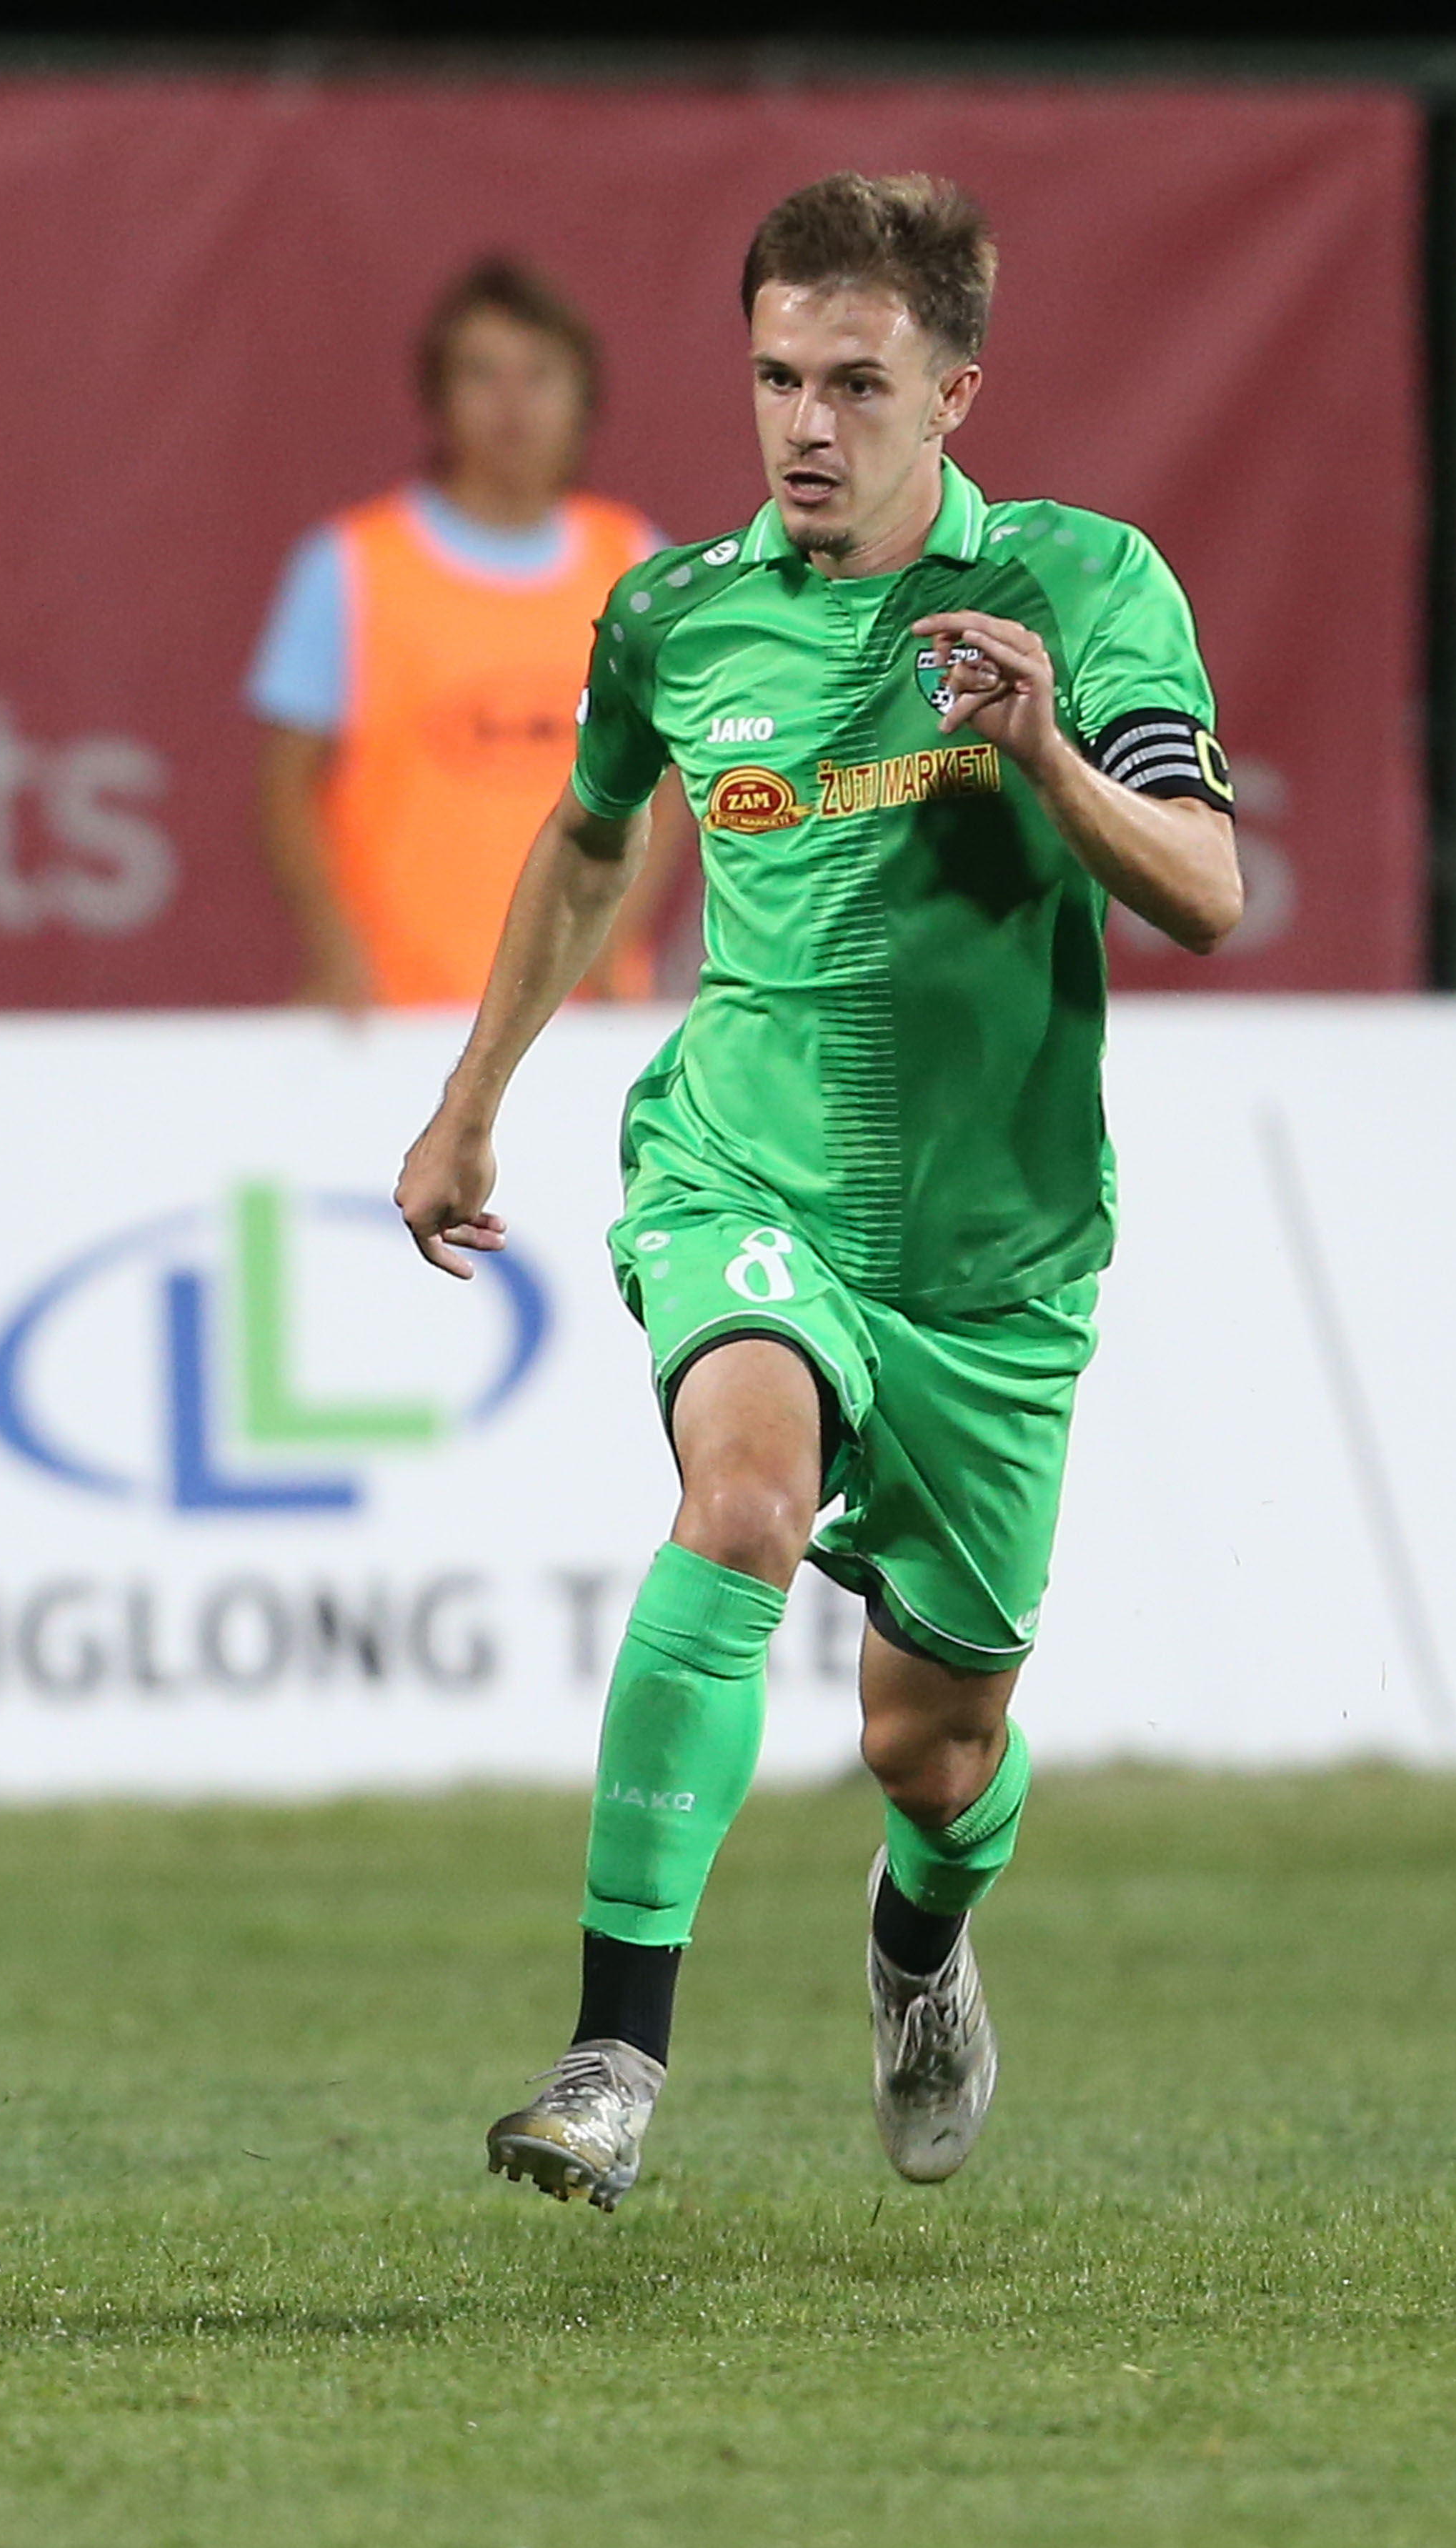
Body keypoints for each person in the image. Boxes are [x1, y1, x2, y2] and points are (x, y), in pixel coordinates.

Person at [391, 174, 1241, 2207]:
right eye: (775, 376)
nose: (804, 427)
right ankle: (611, 2055)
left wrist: (1045, 758)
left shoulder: (1076, 584)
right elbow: (592, 843)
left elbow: (1208, 889)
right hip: (741, 1161)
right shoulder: (678, 613)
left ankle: (920, 1942)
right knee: (741, 1497)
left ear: (952, 390)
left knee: (928, 1754)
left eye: (854, 384)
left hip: (989, 1260)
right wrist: (471, 1094)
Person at [248, 256, 674, 1012]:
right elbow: (286, 790)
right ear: (438, 398)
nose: (512, 405)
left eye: (539, 374)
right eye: (482, 374)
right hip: (395, 1016)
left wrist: (616, 938)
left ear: (584, 395)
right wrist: (336, 948)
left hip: (581, 1020)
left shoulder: (635, 565)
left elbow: (680, 777)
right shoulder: (350, 567)